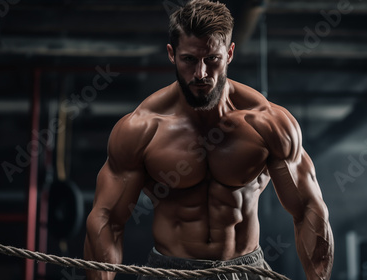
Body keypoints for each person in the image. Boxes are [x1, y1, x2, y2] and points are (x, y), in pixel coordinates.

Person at [84, 0, 334, 279]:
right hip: (171, 272)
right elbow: (106, 221)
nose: (201, 74)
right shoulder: (142, 129)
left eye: (212, 59)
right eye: (189, 59)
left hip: (245, 270)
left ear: (229, 53)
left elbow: (309, 208)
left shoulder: (268, 123)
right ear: (171, 54)